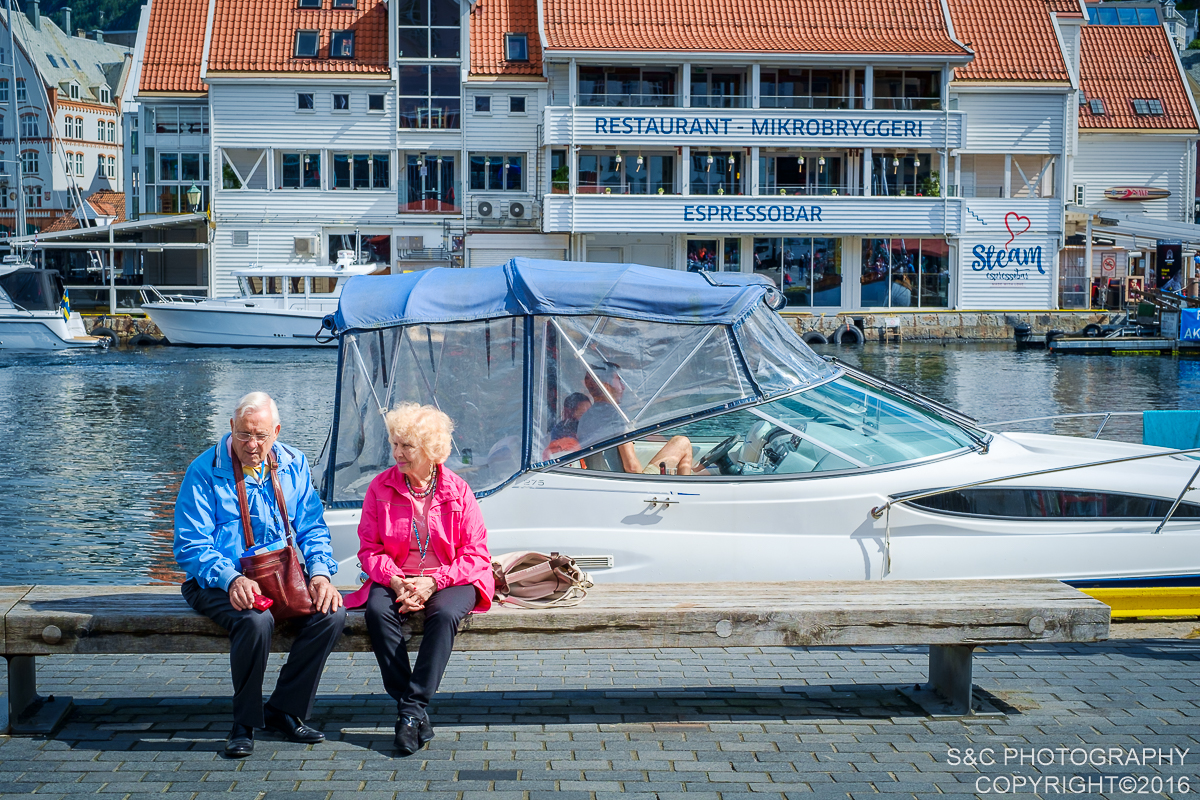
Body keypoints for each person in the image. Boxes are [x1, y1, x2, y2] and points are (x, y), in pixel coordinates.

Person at [174, 392, 345, 759]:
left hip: (279, 577)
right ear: (231, 427)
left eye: (262, 436)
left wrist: (319, 574)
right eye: (244, 436)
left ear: (276, 432)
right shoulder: (203, 470)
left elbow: (313, 528)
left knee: (332, 613)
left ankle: (284, 707)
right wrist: (230, 578)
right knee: (256, 620)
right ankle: (244, 722)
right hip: (214, 581)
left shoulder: (294, 463)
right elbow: (190, 546)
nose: (253, 445)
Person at [343, 403, 494, 756]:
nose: (397, 453)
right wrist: (396, 581)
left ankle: (409, 711)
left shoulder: (457, 490)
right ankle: (415, 711)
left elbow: (475, 554)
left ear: (429, 450)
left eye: (406, 446)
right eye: (394, 444)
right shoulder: (380, 488)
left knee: (443, 616)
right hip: (396, 576)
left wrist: (434, 582)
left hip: (452, 578)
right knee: (378, 614)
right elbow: (369, 549)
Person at [575, 361, 696, 474]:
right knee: (682, 442)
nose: (623, 387)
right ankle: (686, 491)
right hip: (628, 486)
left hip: (603, 481)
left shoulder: (586, 418)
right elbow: (631, 467)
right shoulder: (617, 417)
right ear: (606, 387)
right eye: (619, 380)